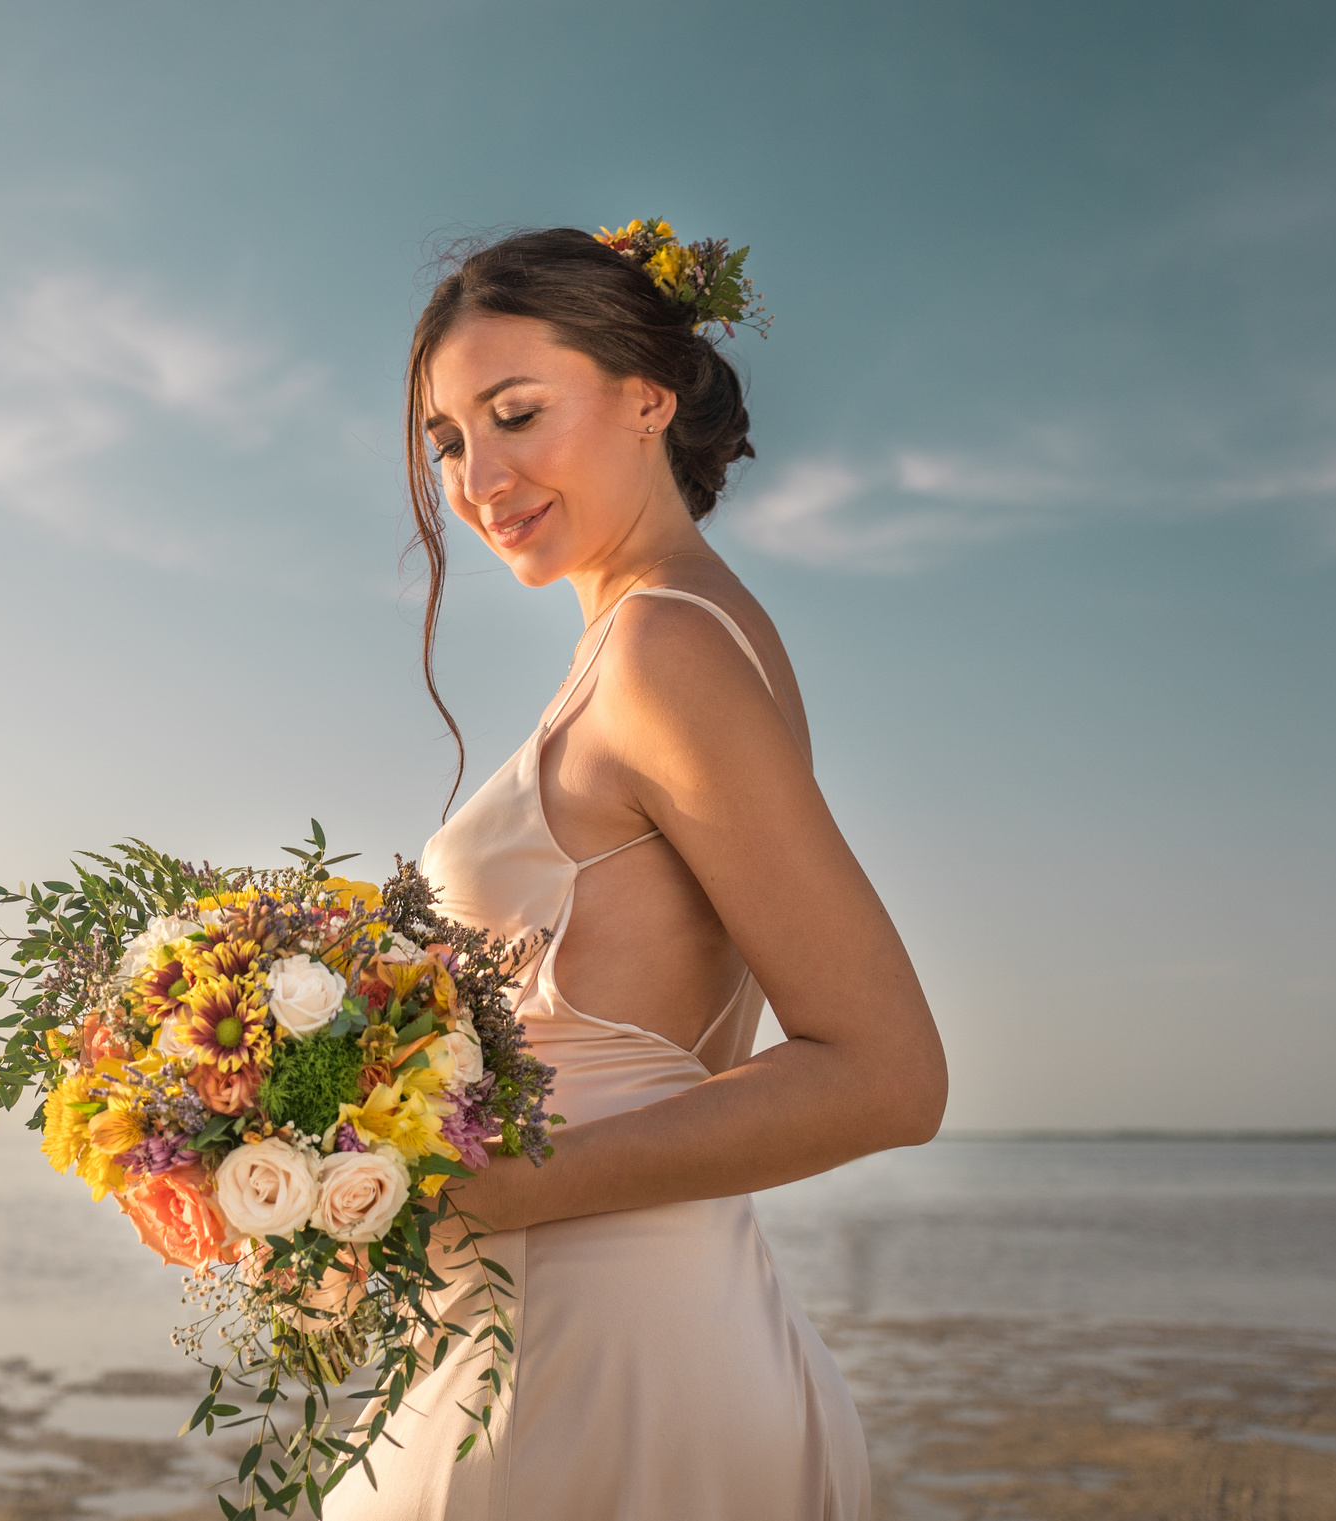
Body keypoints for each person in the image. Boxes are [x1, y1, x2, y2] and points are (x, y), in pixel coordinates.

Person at [331, 225, 947, 1519]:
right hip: (605, 1318)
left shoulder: (667, 647)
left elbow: (888, 1070)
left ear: (645, 394)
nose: (480, 475)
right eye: (449, 442)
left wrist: (477, 1192)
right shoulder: (658, 636)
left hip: (596, 1351)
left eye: (516, 414)